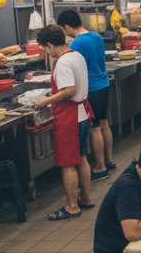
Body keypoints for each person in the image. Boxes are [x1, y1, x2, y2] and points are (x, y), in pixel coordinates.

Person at [34, 24, 95, 221]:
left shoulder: (62, 63)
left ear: (50, 45)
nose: (45, 51)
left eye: (44, 48)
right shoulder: (75, 55)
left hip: (70, 118)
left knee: (68, 164)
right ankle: (85, 198)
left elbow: (69, 90)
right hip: (82, 115)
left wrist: (44, 101)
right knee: (82, 159)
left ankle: (72, 206)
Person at [57, 9, 115, 178]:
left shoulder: (77, 43)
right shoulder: (96, 36)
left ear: (67, 27)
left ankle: (100, 167)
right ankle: (109, 160)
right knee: (104, 124)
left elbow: (73, 66)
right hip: (104, 84)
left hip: (91, 89)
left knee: (94, 129)